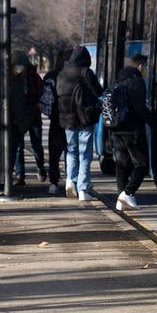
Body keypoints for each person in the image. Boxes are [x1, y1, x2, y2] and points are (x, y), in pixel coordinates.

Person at [55, 46, 102, 202]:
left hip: (67, 121)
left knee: (71, 151)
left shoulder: (62, 74)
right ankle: (83, 188)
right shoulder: (85, 72)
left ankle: (70, 180)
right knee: (85, 154)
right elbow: (99, 91)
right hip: (85, 119)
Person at [109, 54, 155, 212]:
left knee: (121, 164)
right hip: (133, 131)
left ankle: (120, 198)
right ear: (140, 66)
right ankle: (128, 193)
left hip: (117, 130)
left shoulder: (117, 80)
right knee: (141, 164)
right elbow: (139, 108)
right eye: (146, 67)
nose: (146, 70)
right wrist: (153, 120)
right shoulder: (137, 82)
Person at [10, 53, 44, 187]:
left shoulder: (34, 78)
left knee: (35, 145)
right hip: (20, 117)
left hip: (33, 116)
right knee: (19, 147)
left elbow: (41, 94)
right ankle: (20, 175)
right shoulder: (12, 79)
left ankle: (40, 167)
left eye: (21, 66)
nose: (19, 68)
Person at [42, 49, 70, 196]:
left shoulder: (51, 76)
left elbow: (45, 102)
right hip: (73, 120)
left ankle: (54, 183)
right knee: (72, 152)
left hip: (56, 121)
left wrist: (51, 113)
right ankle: (72, 181)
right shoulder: (78, 76)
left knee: (54, 154)